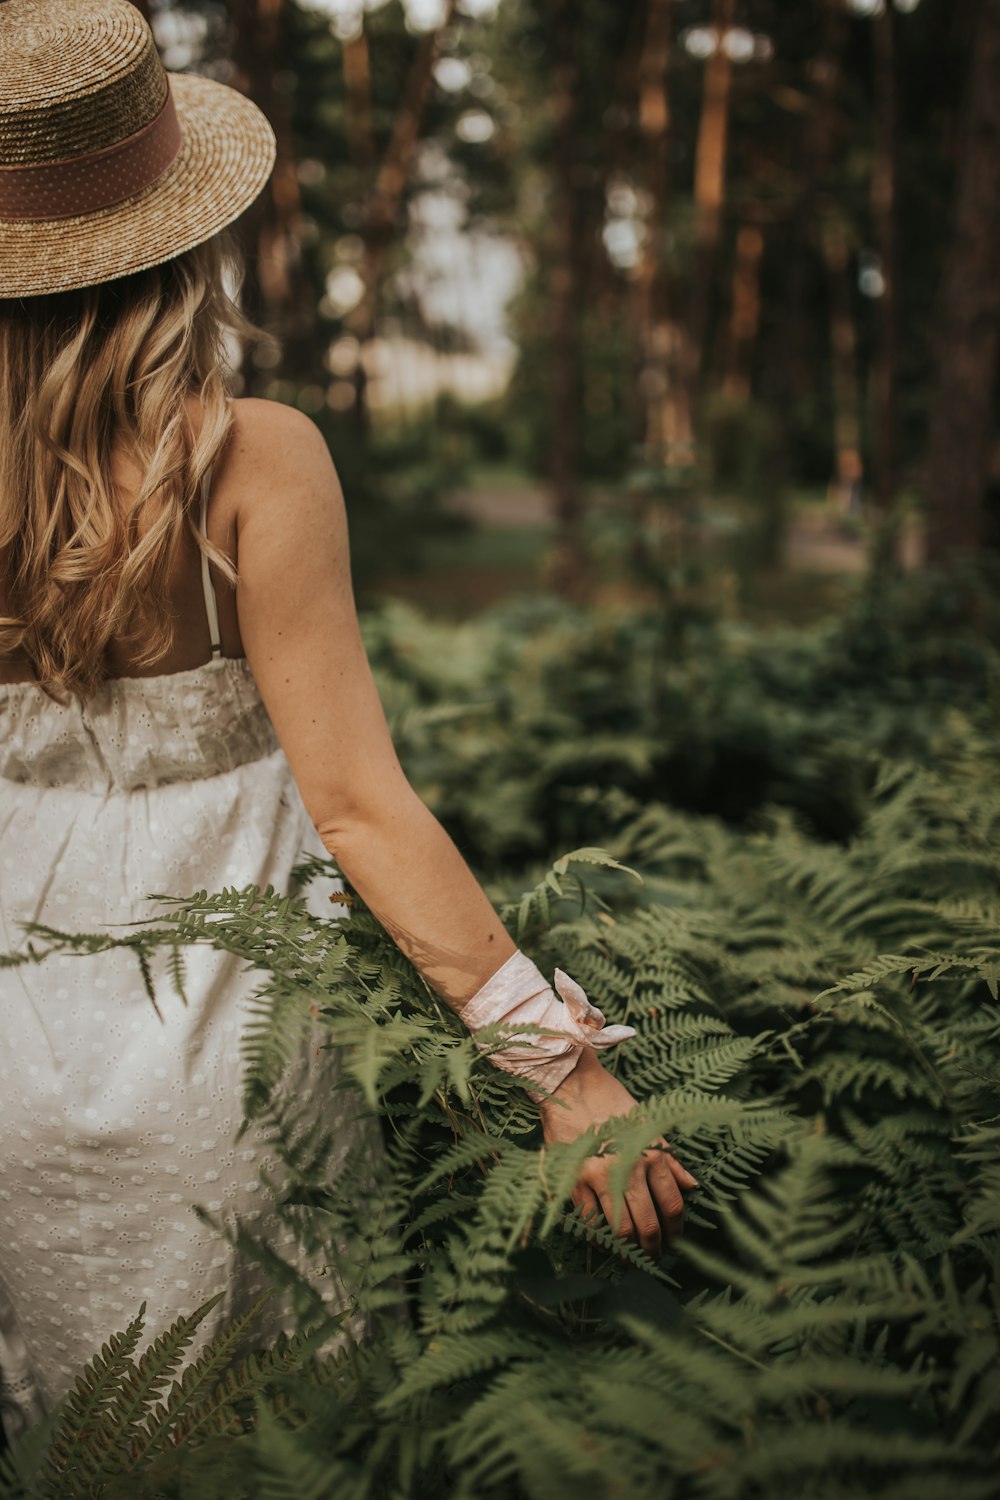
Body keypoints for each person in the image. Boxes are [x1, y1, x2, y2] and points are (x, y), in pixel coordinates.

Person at [0, 0, 696, 1438]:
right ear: (184, 232)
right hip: (225, 1041)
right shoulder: (251, 456)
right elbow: (362, 807)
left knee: (81, 1437)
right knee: (283, 1438)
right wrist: (565, 1067)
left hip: (15, 1032)